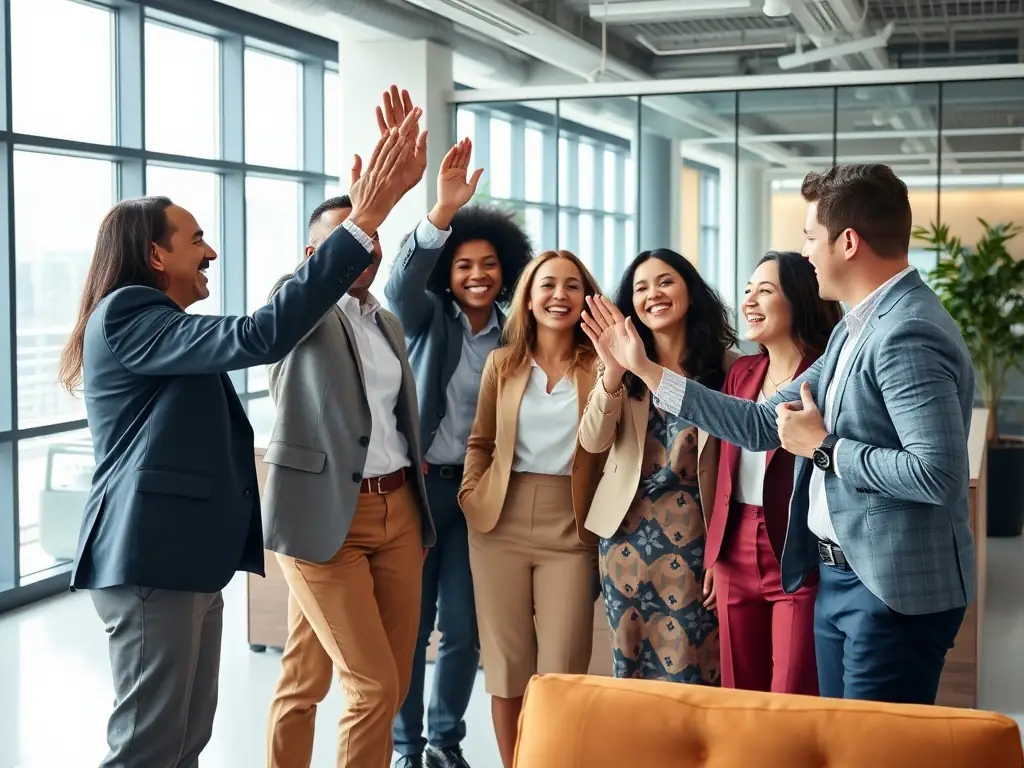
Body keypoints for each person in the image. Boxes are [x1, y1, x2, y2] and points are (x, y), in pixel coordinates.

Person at [57, 104, 421, 768]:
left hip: (184, 561)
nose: (211, 252)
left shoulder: (163, 329)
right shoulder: (130, 314)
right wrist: (363, 223)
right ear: (154, 253)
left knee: (184, 742)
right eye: (196, 238)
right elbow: (261, 334)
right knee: (147, 747)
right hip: (150, 562)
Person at [583, 164, 976, 706]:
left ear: (848, 242)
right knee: (826, 740)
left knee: (871, 751)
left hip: (891, 587)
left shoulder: (905, 330)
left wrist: (824, 448)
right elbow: (759, 424)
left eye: (811, 237)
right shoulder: (855, 328)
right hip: (845, 578)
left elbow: (938, 475)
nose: (806, 252)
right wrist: (646, 371)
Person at [262, 185, 437, 767]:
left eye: (371, 240)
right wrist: (360, 222)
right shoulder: (296, 310)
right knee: (373, 687)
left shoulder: (384, 320)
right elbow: (286, 306)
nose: (365, 251)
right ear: (314, 257)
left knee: (327, 674)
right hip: (322, 517)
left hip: (397, 512)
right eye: (348, 240)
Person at [384, 119, 533, 768]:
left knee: (466, 629)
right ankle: (403, 746)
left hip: (480, 499)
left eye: (489, 265)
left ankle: (446, 742)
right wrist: (441, 212)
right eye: (465, 265)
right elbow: (399, 285)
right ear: (451, 272)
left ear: (507, 272)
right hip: (420, 492)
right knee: (411, 629)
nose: (478, 275)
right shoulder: (427, 320)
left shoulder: (515, 335)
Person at [459, 250, 605, 768]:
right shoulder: (503, 364)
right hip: (499, 520)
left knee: (563, 667)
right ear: (528, 296)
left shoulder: (602, 366)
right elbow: (480, 442)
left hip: (571, 525)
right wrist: (471, 493)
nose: (558, 296)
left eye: (571, 286)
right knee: (506, 667)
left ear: (587, 299)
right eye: (547, 285)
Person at [579, 248, 737, 685]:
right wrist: (611, 372)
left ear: (690, 290)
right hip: (625, 540)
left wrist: (721, 555)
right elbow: (592, 441)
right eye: (641, 288)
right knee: (629, 669)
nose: (654, 294)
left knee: (695, 669)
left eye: (665, 281)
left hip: (697, 543)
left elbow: (738, 472)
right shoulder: (621, 368)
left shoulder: (730, 369)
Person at [709, 251, 843, 695]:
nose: (749, 300)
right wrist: (715, 553)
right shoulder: (743, 372)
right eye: (748, 289)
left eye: (765, 291)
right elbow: (724, 471)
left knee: (792, 690)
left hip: (795, 547)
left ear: (800, 300)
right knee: (738, 692)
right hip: (733, 548)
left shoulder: (827, 376)